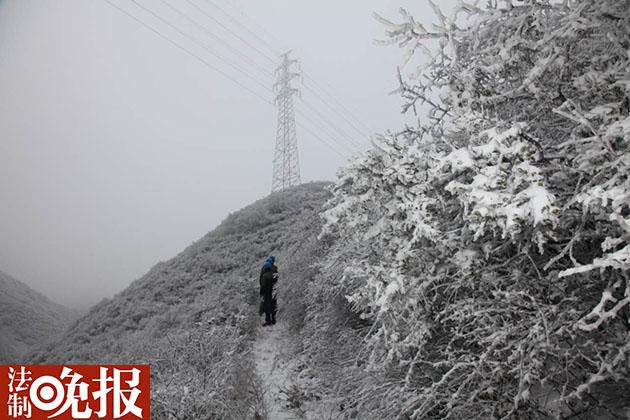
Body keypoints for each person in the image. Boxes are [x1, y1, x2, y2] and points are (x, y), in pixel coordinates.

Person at [259, 256, 278, 326]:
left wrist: (261, 293)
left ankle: (268, 321)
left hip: (266, 292)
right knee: (274, 305)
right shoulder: (275, 270)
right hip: (274, 291)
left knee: (267, 306)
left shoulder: (264, 275)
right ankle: (274, 319)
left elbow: (262, 284)